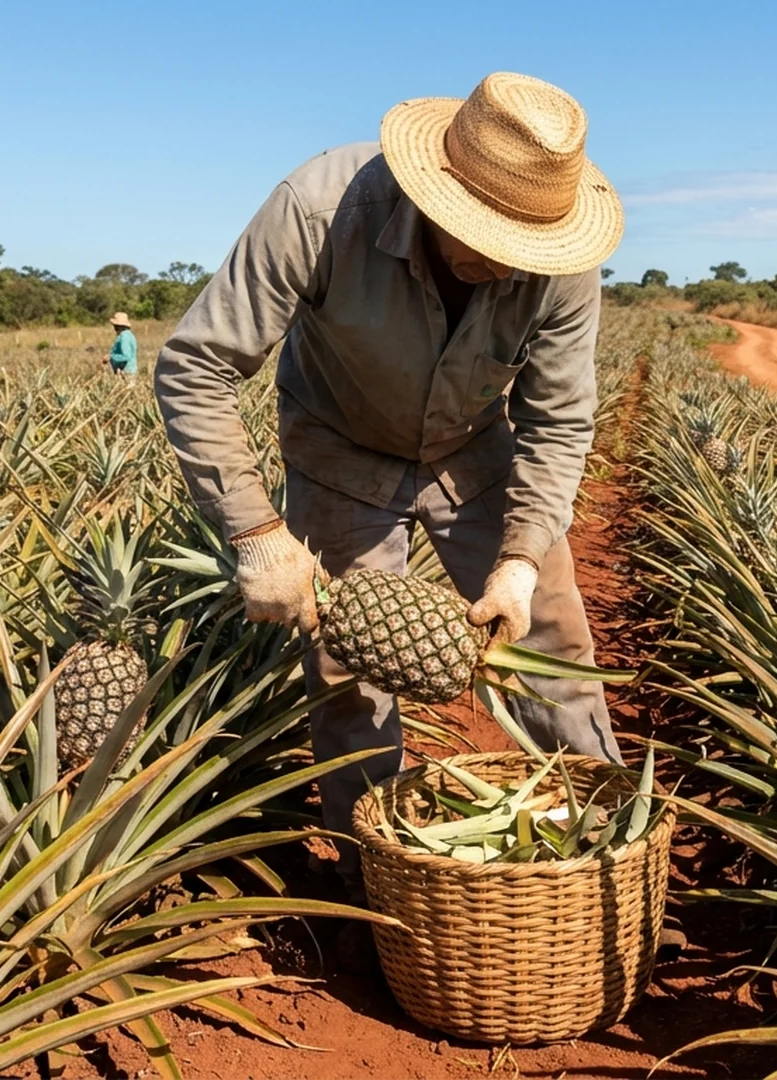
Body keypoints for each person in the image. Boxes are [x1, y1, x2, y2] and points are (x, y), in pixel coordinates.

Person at [155, 73, 625, 933]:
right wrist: (257, 531)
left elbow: (559, 420)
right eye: (488, 237)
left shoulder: (561, 261)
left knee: (553, 642)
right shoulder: (320, 208)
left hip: (475, 454)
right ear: (434, 193)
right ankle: (375, 887)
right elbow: (196, 365)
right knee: (349, 678)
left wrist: (522, 558)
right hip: (340, 450)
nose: (507, 263)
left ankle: (604, 855)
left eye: (525, 247)